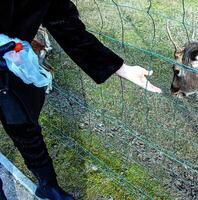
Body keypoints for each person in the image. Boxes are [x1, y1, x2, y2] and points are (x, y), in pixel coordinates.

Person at [0, 1, 162, 200]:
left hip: (14, 63)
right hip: (9, 56)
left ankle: (47, 184)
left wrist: (121, 68)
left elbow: (65, 23)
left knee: (25, 126)